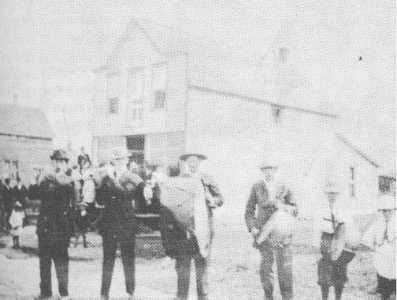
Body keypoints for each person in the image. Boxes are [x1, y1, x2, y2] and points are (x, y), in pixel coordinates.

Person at [162, 153, 223, 300]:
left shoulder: (207, 179)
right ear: (185, 163)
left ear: (200, 162)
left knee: (202, 268)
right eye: (189, 161)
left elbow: (220, 199)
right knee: (183, 268)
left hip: (203, 231)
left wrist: (212, 200)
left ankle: (203, 297)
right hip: (184, 231)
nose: (192, 164)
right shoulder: (178, 181)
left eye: (196, 161)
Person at [96, 148, 146, 300]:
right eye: (115, 160)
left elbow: (139, 202)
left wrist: (112, 181)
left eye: (121, 160)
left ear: (127, 161)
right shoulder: (106, 179)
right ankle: (104, 294)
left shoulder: (134, 179)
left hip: (126, 224)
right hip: (109, 224)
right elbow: (100, 200)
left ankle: (130, 292)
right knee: (107, 260)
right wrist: (100, 182)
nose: (118, 163)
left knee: (128, 259)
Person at [245, 158, 297, 300]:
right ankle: (268, 296)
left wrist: (284, 208)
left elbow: (295, 209)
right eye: (265, 170)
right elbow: (249, 211)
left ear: (276, 170)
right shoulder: (257, 186)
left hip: (282, 234)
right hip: (264, 235)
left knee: (285, 271)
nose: (268, 173)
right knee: (266, 271)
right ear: (262, 171)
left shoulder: (284, 186)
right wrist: (253, 227)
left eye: (271, 169)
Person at [29, 149, 74, 300]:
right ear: (52, 162)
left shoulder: (68, 180)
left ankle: (64, 293)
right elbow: (33, 194)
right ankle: (45, 293)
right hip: (46, 227)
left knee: (61, 261)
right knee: (44, 262)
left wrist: (71, 229)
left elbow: (69, 198)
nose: (59, 163)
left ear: (66, 164)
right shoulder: (46, 179)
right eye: (56, 161)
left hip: (61, 227)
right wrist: (36, 179)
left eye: (62, 161)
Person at [316, 181, 355, 300]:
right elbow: (317, 228)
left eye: (334, 193)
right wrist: (319, 248)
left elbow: (349, 226)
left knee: (339, 275)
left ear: (338, 195)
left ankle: (338, 297)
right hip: (326, 239)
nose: (332, 196)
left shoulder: (344, 209)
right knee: (324, 276)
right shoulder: (321, 209)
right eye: (329, 193)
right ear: (326, 194)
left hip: (340, 240)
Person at [362, 194, 396, 300]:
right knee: (384, 290)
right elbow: (367, 238)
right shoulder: (378, 223)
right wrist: (371, 246)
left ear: (393, 210)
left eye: (389, 211)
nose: (386, 213)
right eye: (384, 211)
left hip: (395, 260)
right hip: (382, 259)